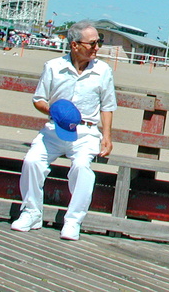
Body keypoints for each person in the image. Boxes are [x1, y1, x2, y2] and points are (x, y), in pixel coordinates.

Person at [11, 20, 117, 240]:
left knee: (81, 167)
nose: (97, 47)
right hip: (54, 129)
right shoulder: (53, 67)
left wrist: (106, 137)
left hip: (86, 133)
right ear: (74, 45)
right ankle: (31, 213)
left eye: (99, 42)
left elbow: (107, 106)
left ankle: (73, 220)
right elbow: (38, 99)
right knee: (32, 161)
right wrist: (55, 111)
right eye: (92, 43)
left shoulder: (103, 70)